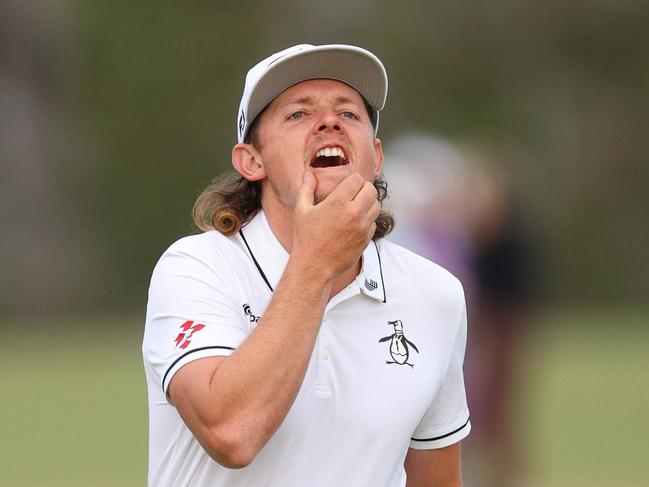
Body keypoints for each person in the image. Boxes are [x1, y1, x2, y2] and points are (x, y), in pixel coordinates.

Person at [142, 43, 471, 487]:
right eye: (298, 114)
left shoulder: (436, 294)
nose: (330, 122)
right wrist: (317, 260)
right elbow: (231, 433)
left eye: (349, 114)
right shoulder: (196, 268)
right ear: (251, 160)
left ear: (375, 157)